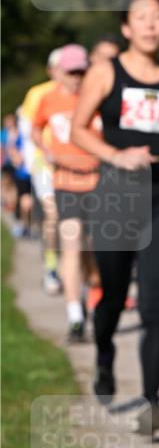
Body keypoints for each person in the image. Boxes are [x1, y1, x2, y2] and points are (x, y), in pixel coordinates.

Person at [72, 0, 159, 434]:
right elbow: (78, 129)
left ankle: (152, 401)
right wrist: (116, 155)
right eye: (141, 18)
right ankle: (105, 354)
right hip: (117, 193)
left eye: (158, 17)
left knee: (154, 302)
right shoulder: (106, 72)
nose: (151, 25)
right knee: (111, 294)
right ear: (126, 28)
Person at [32, 45, 100, 342]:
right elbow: (36, 128)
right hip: (66, 182)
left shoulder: (97, 97)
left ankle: (92, 291)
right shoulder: (49, 99)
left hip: (100, 182)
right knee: (71, 243)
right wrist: (45, 149)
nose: (76, 77)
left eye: (81, 71)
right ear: (61, 73)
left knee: (93, 250)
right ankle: (75, 315)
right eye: (71, 72)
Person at [19, 48, 62, 294]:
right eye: (59, 68)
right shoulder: (37, 94)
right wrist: (30, 165)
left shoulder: (81, 91)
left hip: (75, 165)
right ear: (50, 70)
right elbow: (27, 133)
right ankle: (51, 266)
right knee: (53, 214)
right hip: (43, 164)